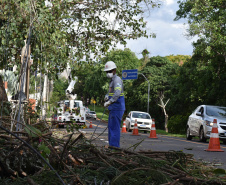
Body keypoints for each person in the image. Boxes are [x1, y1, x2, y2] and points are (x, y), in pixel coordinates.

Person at [103, 61, 125, 148]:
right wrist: (107, 96)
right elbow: (111, 93)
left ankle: (114, 148)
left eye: (109, 71)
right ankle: (111, 146)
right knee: (111, 128)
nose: (108, 73)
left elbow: (117, 93)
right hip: (113, 108)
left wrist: (109, 101)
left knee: (114, 129)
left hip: (117, 107)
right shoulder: (112, 81)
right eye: (107, 72)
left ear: (114, 70)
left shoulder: (117, 80)